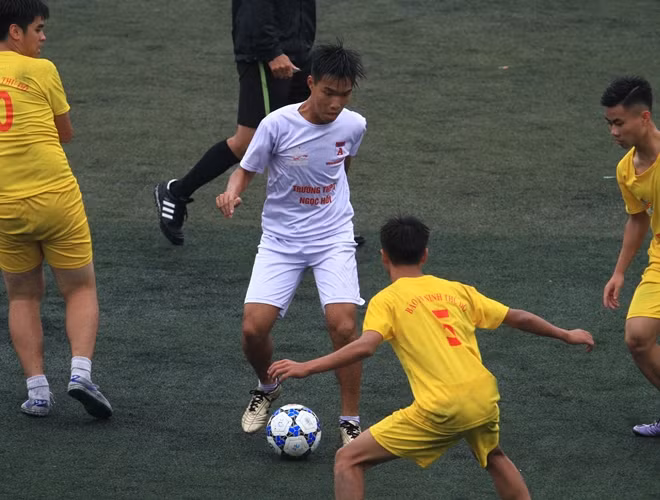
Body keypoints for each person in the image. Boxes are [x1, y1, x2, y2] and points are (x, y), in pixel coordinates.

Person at [269, 216, 594, 500]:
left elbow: (366, 346)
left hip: (442, 406)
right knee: (493, 455)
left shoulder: (387, 300)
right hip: (483, 396)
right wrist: (565, 334)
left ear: (383, 256)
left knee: (348, 459)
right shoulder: (457, 290)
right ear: (425, 254)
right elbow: (517, 317)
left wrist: (306, 367)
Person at [216, 41, 367, 445]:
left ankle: (350, 420)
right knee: (253, 329)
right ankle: (267, 387)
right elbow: (245, 170)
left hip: (333, 236)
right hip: (281, 240)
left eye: (345, 94)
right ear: (311, 83)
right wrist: (231, 193)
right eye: (329, 92)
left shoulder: (354, 125)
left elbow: (342, 166)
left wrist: (333, 205)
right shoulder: (277, 125)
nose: (336, 103)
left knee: (344, 326)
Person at [154, 0, 365, 247]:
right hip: (267, 57)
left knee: (312, 132)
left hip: (300, 51)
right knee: (248, 142)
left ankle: (330, 224)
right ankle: (176, 192)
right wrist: (270, 51)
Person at [0, 0, 112, 419]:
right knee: (80, 288)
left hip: (5, 205)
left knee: (22, 295)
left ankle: (37, 392)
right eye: (38, 29)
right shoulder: (41, 70)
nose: (43, 37)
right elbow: (65, 132)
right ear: (15, 32)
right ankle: (80, 373)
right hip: (55, 197)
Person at [602, 76, 660, 436]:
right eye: (609, 123)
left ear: (644, 117)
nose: (613, 131)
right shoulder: (626, 169)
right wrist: (619, 272)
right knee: (637, 338)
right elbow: (638, 219)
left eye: (619, 123)